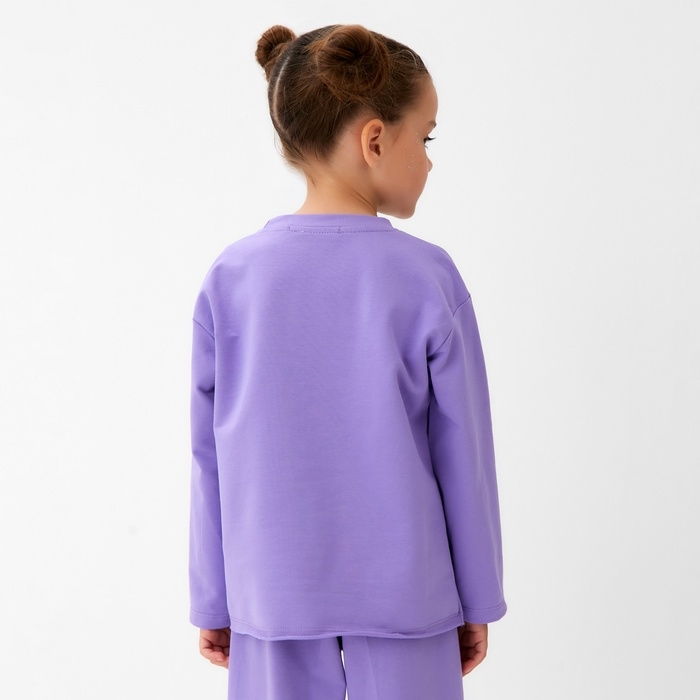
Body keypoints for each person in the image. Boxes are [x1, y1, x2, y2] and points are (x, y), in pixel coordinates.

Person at [189, 23, 507, 700]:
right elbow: (464, 456)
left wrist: (213, 597)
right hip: (412, 600)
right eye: (426, 139)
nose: (429, 162)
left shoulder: (232, 278)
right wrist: (477, 596)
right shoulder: (427, 278)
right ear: (375, 140)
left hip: (270, 599)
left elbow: (210, 455)